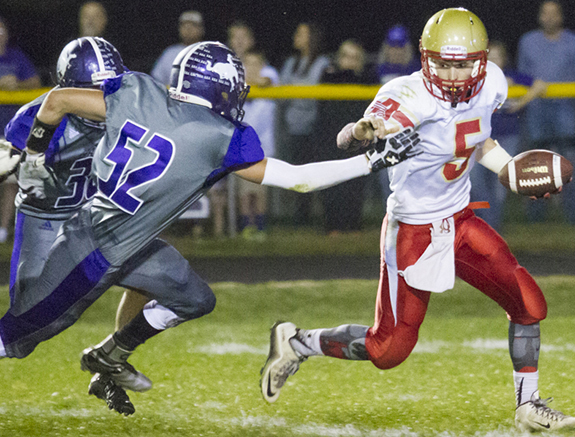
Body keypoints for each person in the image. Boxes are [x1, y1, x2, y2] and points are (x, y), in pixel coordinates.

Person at [0, 41, 412, 416]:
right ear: (219, 89)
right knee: (15, 339)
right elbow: (298, 179)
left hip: (127, 239)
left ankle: (110, 355)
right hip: (92, 251)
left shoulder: (137, 90)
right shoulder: (219, 136)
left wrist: (32, 152)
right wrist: (370, 161)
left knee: (194, 298)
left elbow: (56, 100)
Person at [259, 8, 575, 432]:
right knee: (388, 350)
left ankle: (529, 406)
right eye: (444, 64)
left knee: (528, 303)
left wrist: (508, 169)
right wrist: (365, 130)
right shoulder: (409, 94)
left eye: (463, 64)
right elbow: (349, 136)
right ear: (426, 59)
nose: (453, 75)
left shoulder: (492, 84)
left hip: (462, 218)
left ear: (482, 60)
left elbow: (478, 139)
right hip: (412, 231)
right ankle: (297, 341)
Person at [1, 36, 149, 415]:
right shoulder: (35, 118)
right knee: (27, 323)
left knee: (151, 281)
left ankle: (108, 367)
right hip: (45, 221)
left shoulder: (129, 106)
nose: (102, 97)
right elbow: (11, 155)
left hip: (96, 218)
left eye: (109, 87)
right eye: (92, 89)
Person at [517, 0, 575, 224]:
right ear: (540, 16)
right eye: (545, 13)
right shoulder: (527, 42)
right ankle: (536, 220)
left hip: (566, 114)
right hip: (537, 116)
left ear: (561, 16)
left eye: (553, 13)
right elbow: (522, 75)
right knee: (537, 170)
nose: (549, 17)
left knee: (570, 166)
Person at [470, 40, 547, 231]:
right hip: (481, 138)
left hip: (508, 136)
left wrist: (520, 103)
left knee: (499, 186)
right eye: (491, 57)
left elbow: (540, 86)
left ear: (504, 59)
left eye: (498, 57)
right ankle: (490, 224)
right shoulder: (476, 77)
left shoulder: (512, 76)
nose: (494, 60)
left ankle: (492, 229)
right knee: (475, 181)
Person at [316, 39, 378, 234]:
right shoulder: (329, 75)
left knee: (356, 183)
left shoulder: (367, 78)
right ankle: (333, 226)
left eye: (355, 58)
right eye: (346, 56)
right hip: (331, 139)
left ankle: (353, 226)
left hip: (359, 142)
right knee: (333, 183)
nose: (350, 62)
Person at [227, 21, 280, 238]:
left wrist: (248, 77)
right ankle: (244, 227)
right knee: (242, 192)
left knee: (259, 190)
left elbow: (266, 80)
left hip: (263, 146)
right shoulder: (230, 69)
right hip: (238, 144)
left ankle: (259, 227)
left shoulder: (267, 71)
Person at [278, 22, 330, 226]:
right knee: (296, 175)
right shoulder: (292, 62)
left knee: (316, 176)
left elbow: (311, 94)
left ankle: (321, 219)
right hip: (294, 128)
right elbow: (282, 92)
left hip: (314, 128)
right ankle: (301, 219)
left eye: (301, 33)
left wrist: (294, 90)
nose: (296, 36)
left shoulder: (322, 62)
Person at [0, 16, 42, 244]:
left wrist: (17, 84)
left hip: (9, 131)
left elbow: (35, 82)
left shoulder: (16, 57)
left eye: (1, 31)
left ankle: (3, 229)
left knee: (10, 181)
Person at [372, 25, 422, 211]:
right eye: (392, 46)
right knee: (389, 185)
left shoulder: (416, 69)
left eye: (400, 46)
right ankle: (394, 226)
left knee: (414, 186)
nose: (396, 51)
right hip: (385, 136)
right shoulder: (378, 70)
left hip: (413, 136)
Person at [150, 10, 204, 85]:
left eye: (193, 25)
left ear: (202, 29)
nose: (188, 29)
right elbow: (156, 81)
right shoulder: (170, 52)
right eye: (184, 25)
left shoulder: (209, 52)